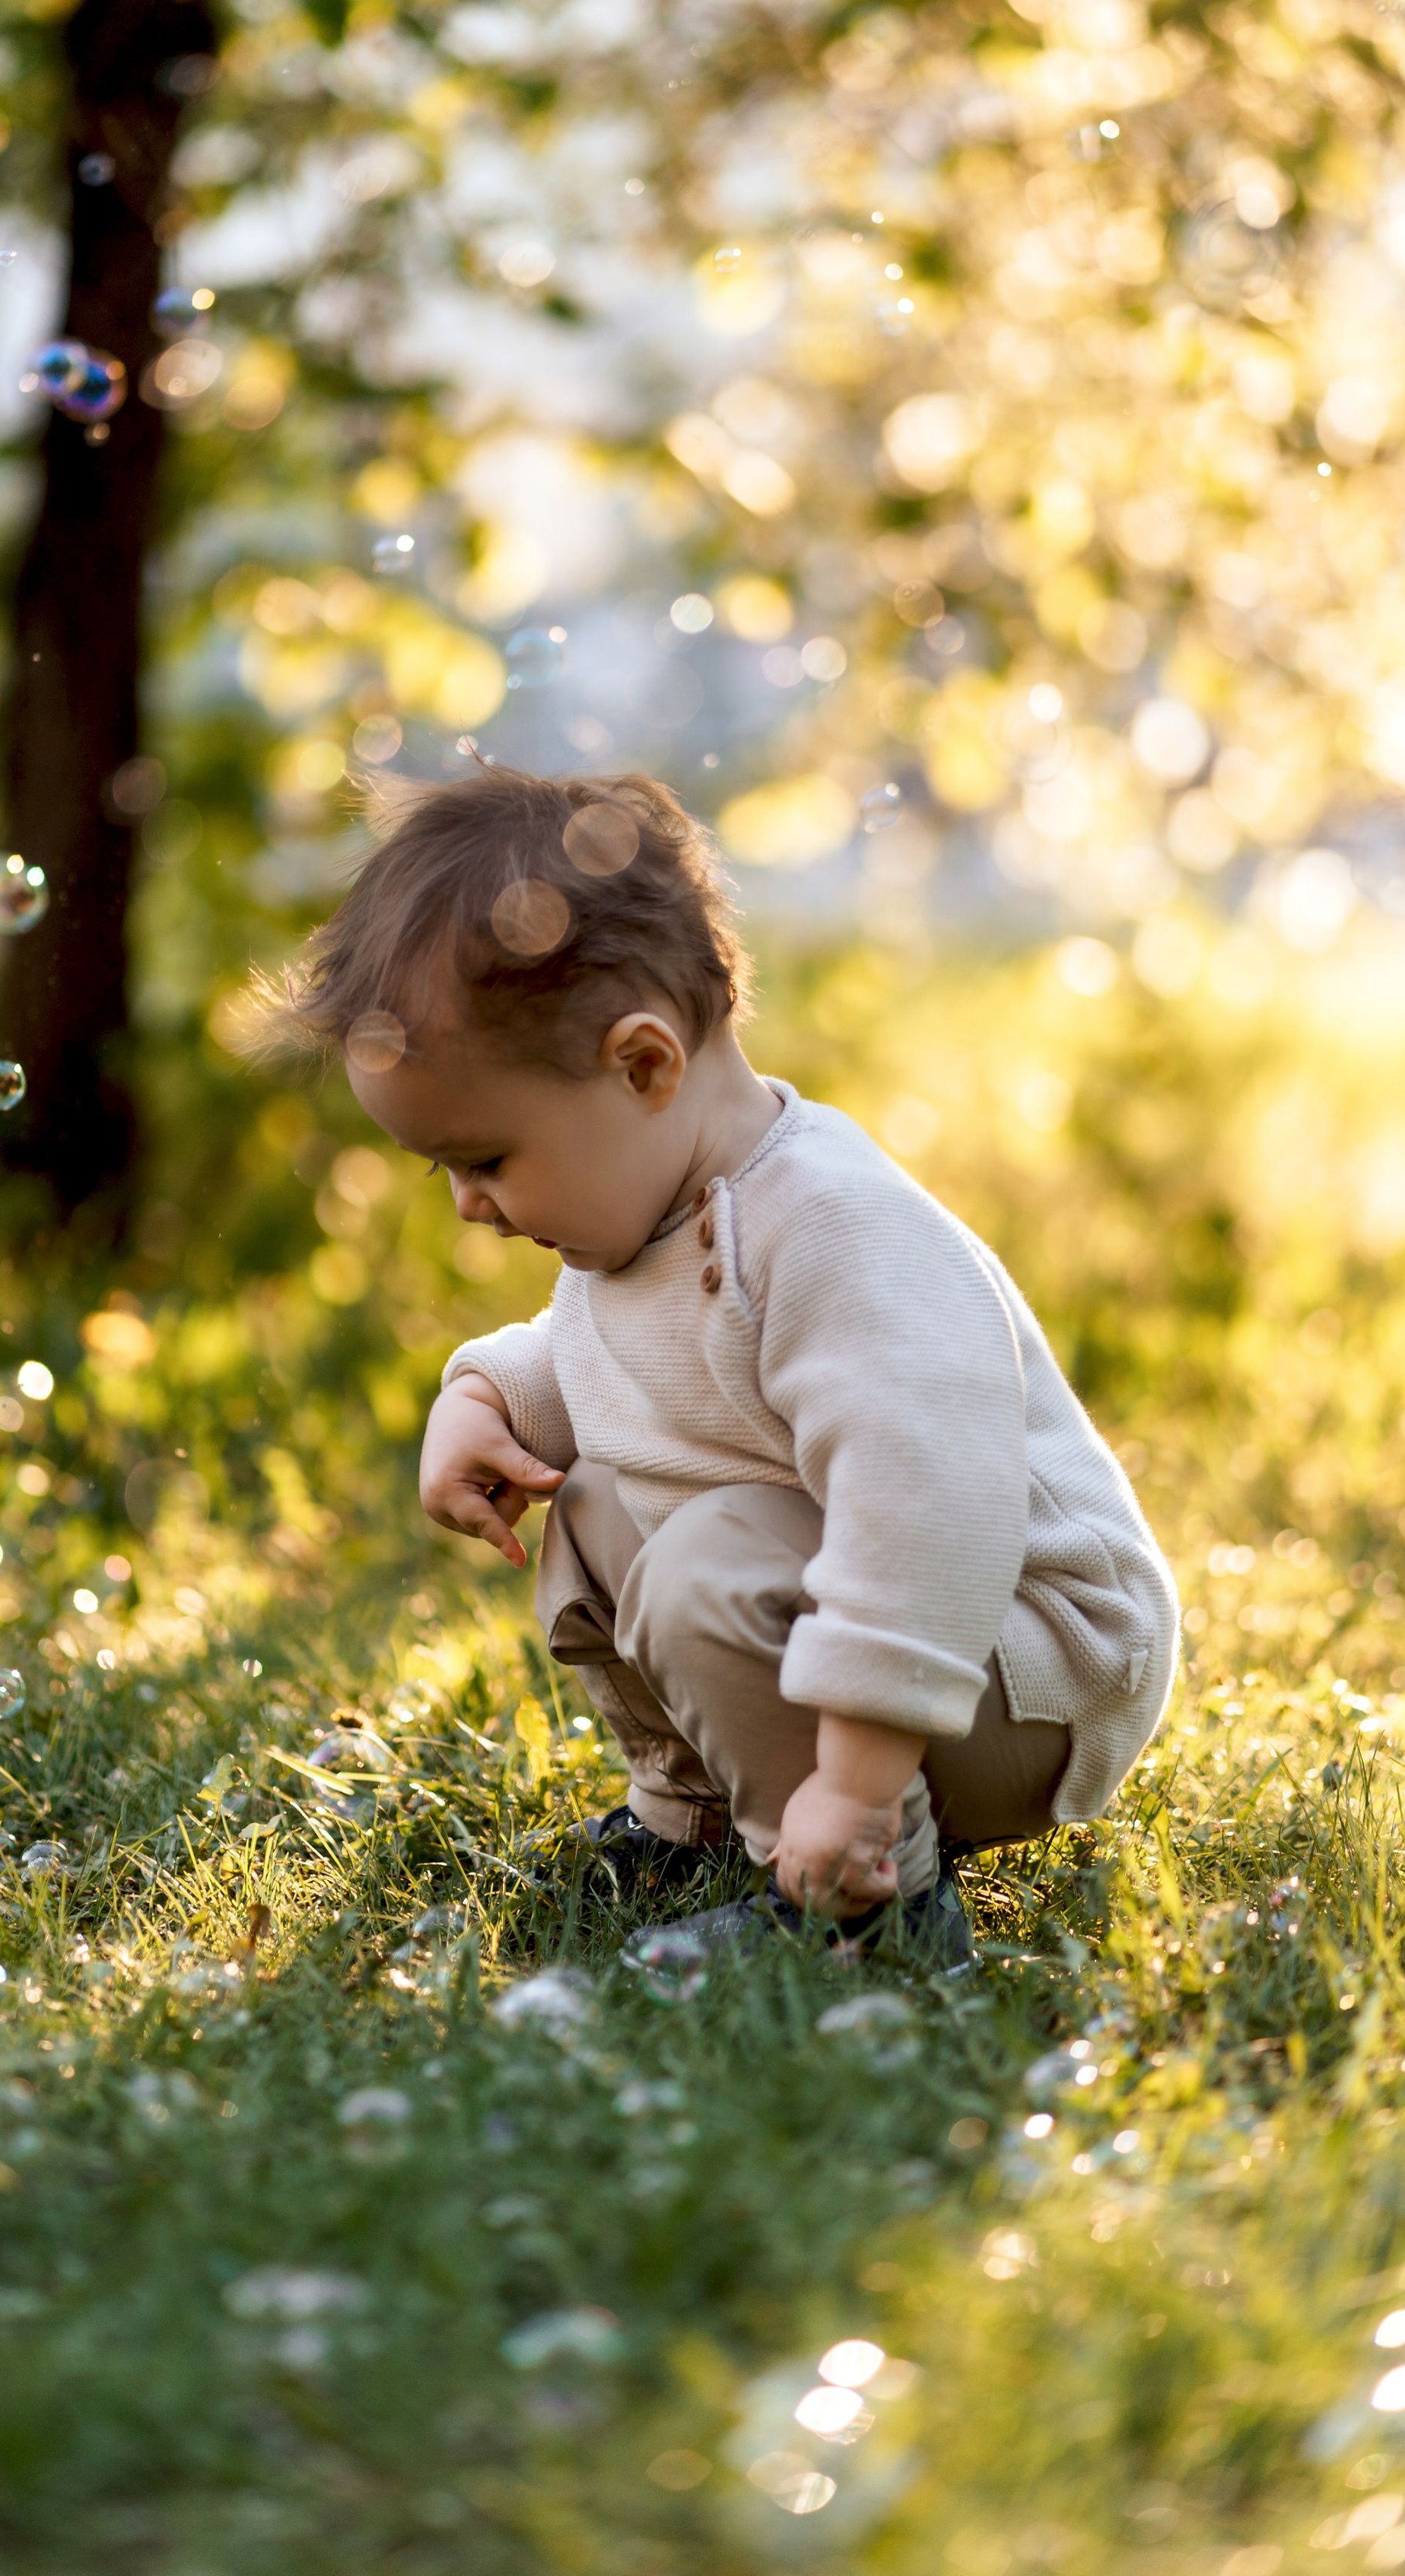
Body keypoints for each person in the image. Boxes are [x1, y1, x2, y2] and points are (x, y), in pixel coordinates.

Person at [262, 764, 1178, 1963]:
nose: (470, 1208)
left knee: (707, 1563)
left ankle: (876, 1903)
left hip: (1031, 1657)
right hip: (922, 1631)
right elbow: (613, 1360)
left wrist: (856, 1784)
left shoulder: (835, 1227)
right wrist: (487, 1394)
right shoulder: (652, 1208)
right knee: (594, 1504)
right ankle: (702, 1825)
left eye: (483, 1158)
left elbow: (929, 1512)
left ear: (645, 1066)